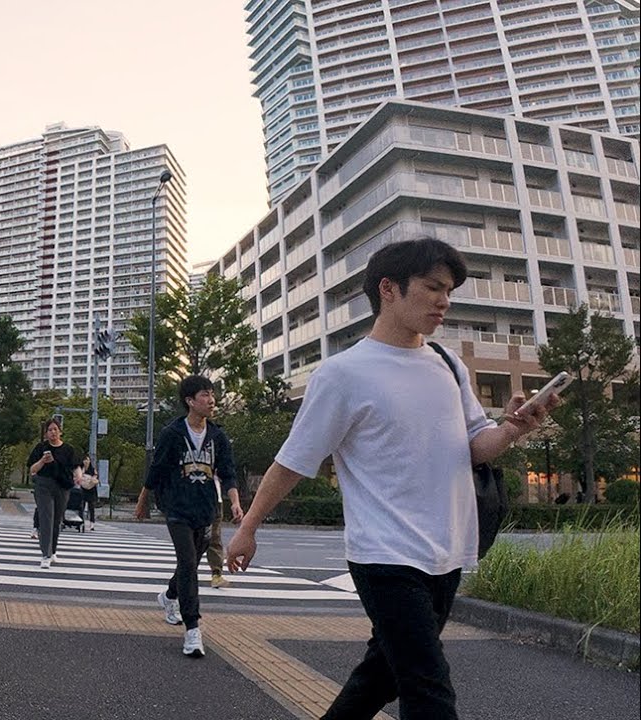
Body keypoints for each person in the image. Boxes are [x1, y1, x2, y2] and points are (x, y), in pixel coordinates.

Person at [225, 238, 556, 719]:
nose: (444, 301)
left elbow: (475, 447)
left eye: (449, 291)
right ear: (388, 289)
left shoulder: (448, 364)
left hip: (447, 550)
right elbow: (294, 460)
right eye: (432, 287)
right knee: (429, 689)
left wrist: (512, 428)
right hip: (384, 554)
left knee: (379, 677)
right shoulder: (343, 374)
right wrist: (248, 527)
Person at [134, 375, 238, 657]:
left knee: (189, 562)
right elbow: (156, 470)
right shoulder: (172, 434)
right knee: (189, 562)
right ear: (190, 401)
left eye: (212, 394)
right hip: (177, 509)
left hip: (205, 511)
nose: (211, 399)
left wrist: (235, 503)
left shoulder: (217, 436)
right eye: (205, 394)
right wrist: (143, 501)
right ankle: (193, 630)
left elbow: (228, 472)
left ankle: (169, 596)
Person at [27, 419, 81, 569]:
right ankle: (46, 554)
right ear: (46, 433)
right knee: (46, 518)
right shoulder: (40, 448)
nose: (52, 432)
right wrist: (43, 461)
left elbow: (76, 465)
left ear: (60, 431)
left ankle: (53, 550)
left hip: (62, 486)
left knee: (57, 519)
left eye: (55, 429)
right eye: (50, 430)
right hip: (44, 485)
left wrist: (78, 476)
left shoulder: (68, 449)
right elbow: (32, 469)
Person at [77, 455, 98, 530]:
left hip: (91, 489)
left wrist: (92, 480)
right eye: (85, 460)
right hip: (82, 489)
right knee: (81, 506)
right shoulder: (80, 469)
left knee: (91, 507)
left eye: (88, 460)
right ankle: (80, 521)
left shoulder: (92, 469)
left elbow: (95, 477)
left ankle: (92, 523)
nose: (86, 462)